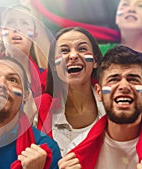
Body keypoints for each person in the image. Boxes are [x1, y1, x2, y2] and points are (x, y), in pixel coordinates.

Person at [58, 45, 142, 169]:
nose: (124, 86)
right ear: (99, 92)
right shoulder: (77, 150)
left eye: (133, 80)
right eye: (114, 79)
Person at [38, 27, 105, 155]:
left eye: (82, 49)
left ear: (95, 61)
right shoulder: (37, 111)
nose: (73, 56)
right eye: (64, 51)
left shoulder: (113, 104)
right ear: (54, 66)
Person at [0, 5, 52, 125]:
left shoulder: (47, 79)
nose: (17, 29)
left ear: (34, 36)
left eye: (24, 23)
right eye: (11, 23)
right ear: (1, 35)